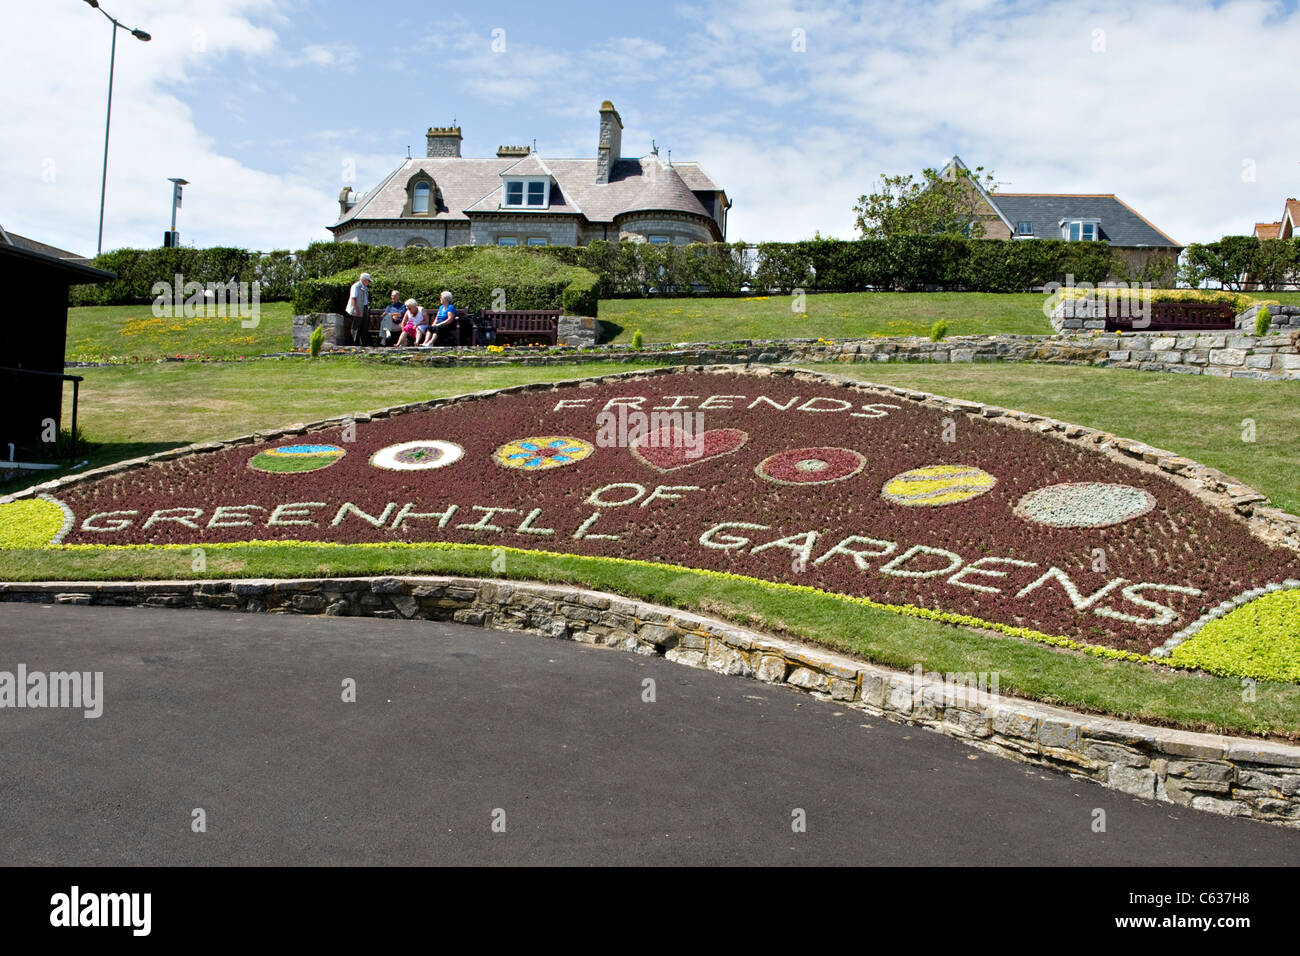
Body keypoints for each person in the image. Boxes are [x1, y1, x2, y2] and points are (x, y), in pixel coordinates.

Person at [345, 272, 372, 346]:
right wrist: (356, 310)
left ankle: (362, 343)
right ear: (364, 280)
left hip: (363, 308)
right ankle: (354, 343)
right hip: (357, 309)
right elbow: (353, 298)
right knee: (356, 327)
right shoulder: (356, 286)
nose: (369, 282)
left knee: (363, 326)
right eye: (368, 280)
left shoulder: (364, 288)